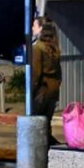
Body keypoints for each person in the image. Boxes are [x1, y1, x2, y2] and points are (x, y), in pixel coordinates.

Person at [31, 16, 62, 145]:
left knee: (36, 124)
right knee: (46, 123)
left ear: (41, 29)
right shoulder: (54, 47)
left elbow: (36, 73)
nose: (32, 28)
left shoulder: (38, 47)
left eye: (34, 25)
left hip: (42, 90)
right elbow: (59, 72)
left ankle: (41, 153)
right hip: (53, 90)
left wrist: (31, 92)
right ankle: (49, 150)